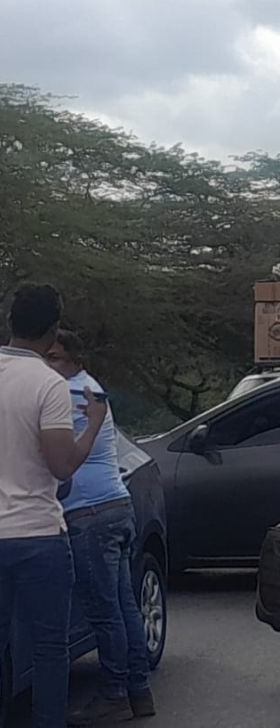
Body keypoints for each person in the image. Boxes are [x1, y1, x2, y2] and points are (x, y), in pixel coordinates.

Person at [0, 284, 107, 728]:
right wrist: (93, 425)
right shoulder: (49, 383)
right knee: (48, 646)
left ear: (10, 322)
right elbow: (62, 465)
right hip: (38, 537)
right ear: (53, 330)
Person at [43, 330, 157, 726]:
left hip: (89, 515)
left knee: (105, 612)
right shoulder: (90, 389)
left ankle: (114, 695)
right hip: (115, 508)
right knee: (124, 609)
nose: (47, 364)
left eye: (55, 357)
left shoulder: (71, 396)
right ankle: (138, 692)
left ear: (75, 360)